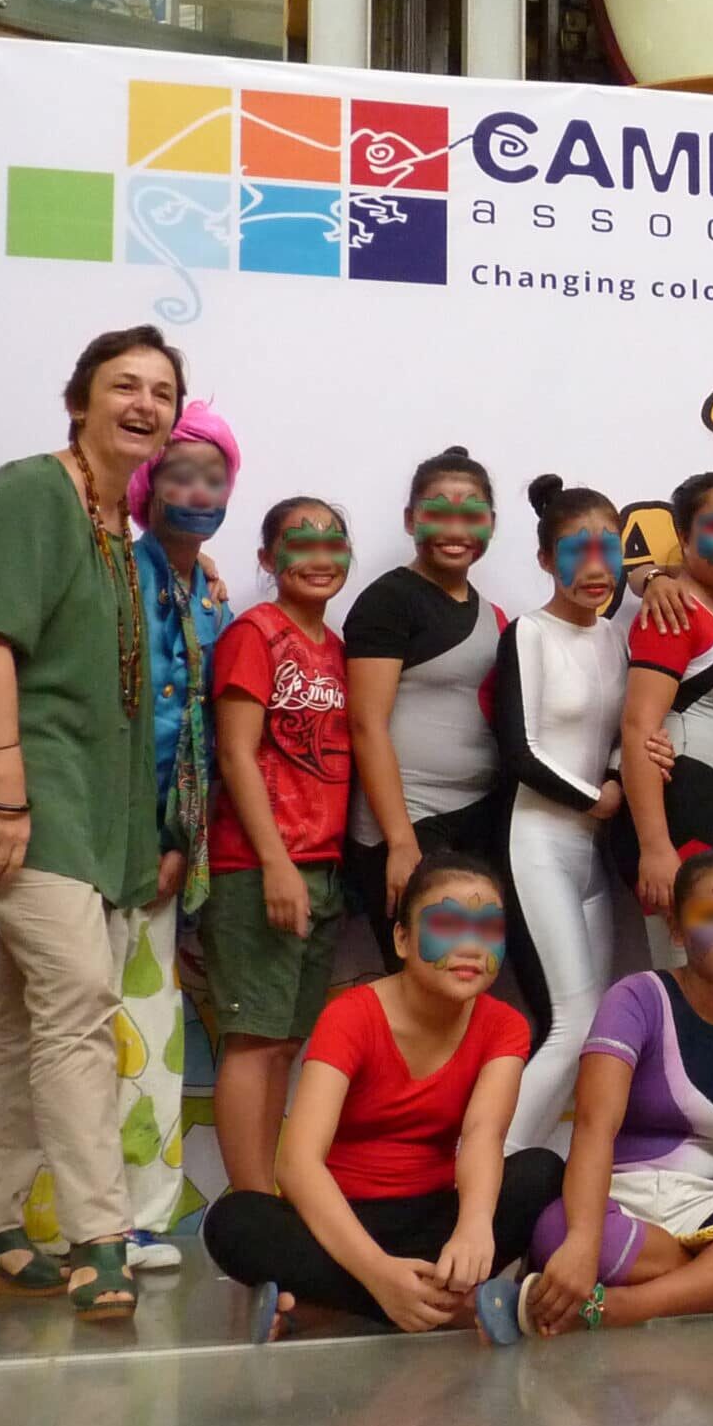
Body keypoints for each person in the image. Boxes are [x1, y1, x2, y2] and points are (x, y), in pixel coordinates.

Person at [0, 324, 182, 1320]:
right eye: (124, 385)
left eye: (162, 392)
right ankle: (100, 1237)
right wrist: (4, 789)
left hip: (86, 815)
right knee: (78, 1007)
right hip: (25, 806)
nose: (144, 404)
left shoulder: (117, 527)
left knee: (22, 1015)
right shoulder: (31, 492)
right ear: (79, 401)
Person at [483, 852, 713, 1339]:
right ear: (677, 930)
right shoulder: (637, 997)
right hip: (620, 1201)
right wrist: (584, 1241)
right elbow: (594, 1127)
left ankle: (622, 1306)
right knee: (557, 1231)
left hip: (709, 1205)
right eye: (711, 915)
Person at [203, 851, 564, 1333]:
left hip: (432, 1218)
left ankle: (324, 1309)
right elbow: (297, 1164)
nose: (471, 946)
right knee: (234, 1221)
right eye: (447, 925)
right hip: (343, 1223)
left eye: (488, 929)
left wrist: (473, 1226)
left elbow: (483, 1135)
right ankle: (442, 1306)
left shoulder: (505, 1026)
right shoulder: (351, 1016)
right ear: (402, 939)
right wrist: (377, 1272)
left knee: (541, 1172)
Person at [110, 397, 238, 1269]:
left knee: (152, 1034)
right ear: (147, 484)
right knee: (77, 1035)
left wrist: (180, 845)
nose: (197, 492)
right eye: (180, 474)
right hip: (90, 843)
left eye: (214, 478)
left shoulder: (211, 602)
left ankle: (140, 1218)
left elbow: (209, 744)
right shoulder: (114, 577)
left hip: (170, 853)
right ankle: (76, 1220)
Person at [206, 498, 357, 1194]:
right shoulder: (255, 634)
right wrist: (274, 863)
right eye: (302, 542)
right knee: (255, 1039)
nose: (321, 557)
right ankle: (250, 1205)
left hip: (323, 865)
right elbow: (236, 754)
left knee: (285, 1043)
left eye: (334, 542)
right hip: (260, 865)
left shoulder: (336, 647)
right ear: (268, 558)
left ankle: (265, 1191)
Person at [492, 476, 632, 1151]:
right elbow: (519, 748)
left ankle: (521, 1168)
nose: (596, 567)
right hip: (538, 842)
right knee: (571, 1022)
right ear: (547, 559)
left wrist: (618, 776)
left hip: (591, 854)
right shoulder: (529, 632)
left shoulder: (615, 637)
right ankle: (486, 1169)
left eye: (610, 549)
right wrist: (596, 797)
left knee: (595, 1026)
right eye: (578, 550)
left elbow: (625, 729)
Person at [342, 448, 507, 961]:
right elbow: (366, 724)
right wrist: (399, 841)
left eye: (471, 514)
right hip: (409, 822)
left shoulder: (493, 613)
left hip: (478, 819)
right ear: (411, 519)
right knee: (427, 971)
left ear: (491, 523)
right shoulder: (388, 600)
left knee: (470, 971)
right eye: (438, 512)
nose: (455, 529)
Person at [620, 473, 713, 961]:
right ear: (684, 538)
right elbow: (639, 727)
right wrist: (656, 847)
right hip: (683, 819)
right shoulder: (675, 612)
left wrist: (650, 575)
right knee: (691, 978)